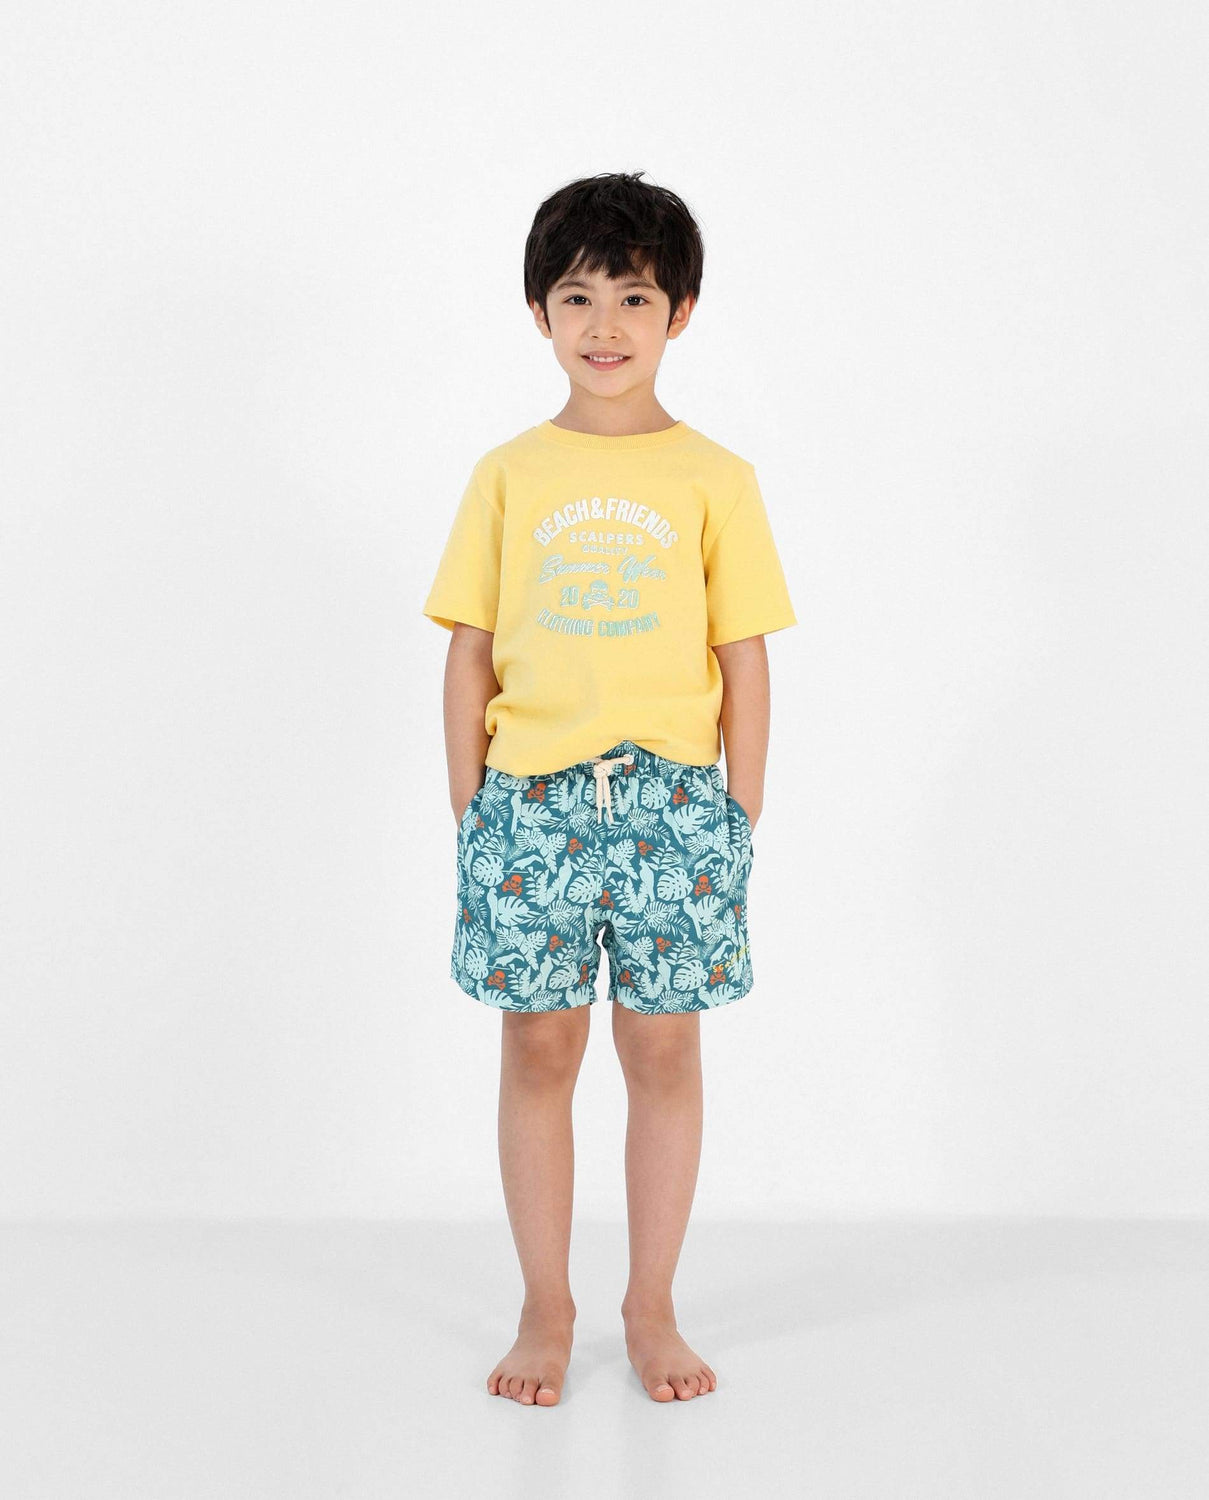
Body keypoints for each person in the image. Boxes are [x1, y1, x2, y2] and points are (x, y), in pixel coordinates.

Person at [422, 171, 797, 1406]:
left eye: (634, 296)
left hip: (674, 804)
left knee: (664, 1046)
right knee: (538, 1045)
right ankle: (547, 1304)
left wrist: (737, 811)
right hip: (530, 801)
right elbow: (470, 647)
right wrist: (473, 807)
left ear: (679, 312)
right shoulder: (508, 474)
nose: (605, 323)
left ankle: (651, 1304)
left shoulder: (716, 478)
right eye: (577, 295)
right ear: (539, 312)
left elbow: (743, 653)